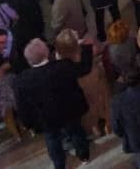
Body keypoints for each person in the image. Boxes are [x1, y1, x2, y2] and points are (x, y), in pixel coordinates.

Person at [14, 38, 94, 169]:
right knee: (76, 132)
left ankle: (59, 164)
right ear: (46, 52)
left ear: (28, 59)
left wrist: (27, 124)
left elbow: (22, 106)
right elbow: (84, 68)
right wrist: (85, 47)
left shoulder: (21, 80)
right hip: (69, 110)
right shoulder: (63, 66)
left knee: (52, 139)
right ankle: (84, 155)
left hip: (45, 118)